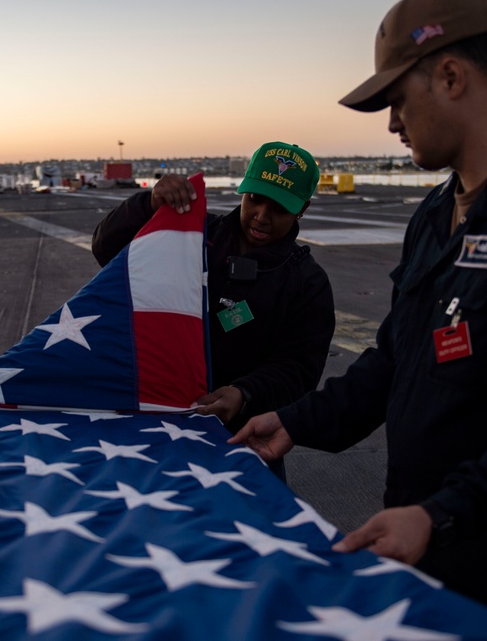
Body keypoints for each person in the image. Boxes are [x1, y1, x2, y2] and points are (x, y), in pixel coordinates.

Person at [229, 0, 487, 639]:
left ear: (451, 76)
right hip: (431, 547)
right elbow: (398, 358)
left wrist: (441, 515)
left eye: (397, 99)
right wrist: (292, 421)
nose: (391, 123)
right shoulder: (435, 215)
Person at [92, 142, 335, 479]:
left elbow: (299, 368)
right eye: (255, 199)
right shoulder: (192, 235)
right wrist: (148, 205)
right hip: (156, 418)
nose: (262, 217)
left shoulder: (307, 282)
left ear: (302, 209)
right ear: (243, 190)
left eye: (279, 208)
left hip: (241, 435)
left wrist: (245, 393)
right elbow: (106, 249)